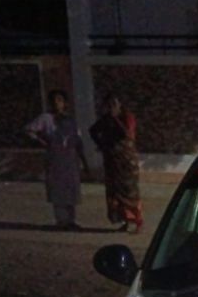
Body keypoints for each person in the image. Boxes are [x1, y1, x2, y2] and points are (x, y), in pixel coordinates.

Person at [25, 89, 89, 230]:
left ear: (65, 103)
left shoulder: (70, 120)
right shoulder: (46, 118)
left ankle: (71, 220)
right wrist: (42, 142)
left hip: (70, 160)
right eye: (53, 100)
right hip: (55, 159)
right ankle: (61, 221)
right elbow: (29, 130)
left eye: (59, 100)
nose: (56, 103)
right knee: (58, 190)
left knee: (70, 190)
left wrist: (84, 162)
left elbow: (78, 141)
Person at [89, 94, 143, 233]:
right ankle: (125, 221)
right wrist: (102, 144)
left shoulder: (127, 117)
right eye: (109, 104)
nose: (111, 107)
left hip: (127, 162)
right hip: (112, 160)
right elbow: (93, 130)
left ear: (120, 104)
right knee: (115, 192)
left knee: (130, 191)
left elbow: (127, 133)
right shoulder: (106, 119)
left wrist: (115, 118)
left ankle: (137, 220)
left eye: (114, 103)